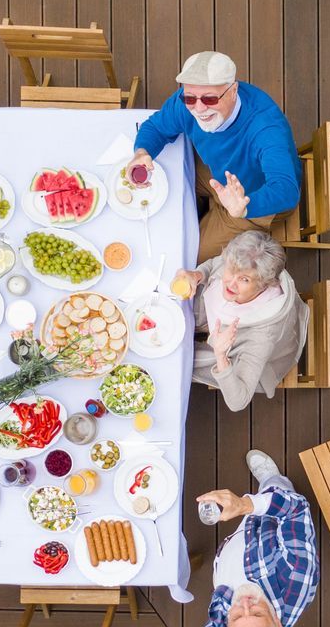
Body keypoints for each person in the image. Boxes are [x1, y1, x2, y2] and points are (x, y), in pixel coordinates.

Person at [122, 452, 318, 627]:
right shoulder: (298, 575)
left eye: (235, 618)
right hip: (268, 523)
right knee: (277, 490)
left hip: (235, 556)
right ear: (278, 625)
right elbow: (296, 510)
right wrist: (246, 505)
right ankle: (272, 480)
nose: (244, 604)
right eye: (257, 612)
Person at [130, 51, 301, 258]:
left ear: (233, 90)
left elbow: (286, 190)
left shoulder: (266, 129)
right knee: (154, 187)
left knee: (186, 256)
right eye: (189, 98)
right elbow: (156, 128)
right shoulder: (188, 103)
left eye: (210, 99)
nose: (199, 108)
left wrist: (245, 206)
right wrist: (141, 152)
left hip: (248, 201)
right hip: (214, 171)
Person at [172, 231, 306, 411]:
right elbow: (214, 264)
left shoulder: (262, 337)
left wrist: (220, 355)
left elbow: (238, 402)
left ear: (265, 285)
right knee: (171, 306)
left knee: (179, 360)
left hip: (243, 354)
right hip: (220, 317)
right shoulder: (240, 259)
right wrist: (197, 275)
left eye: (244, 279)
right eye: (231, 271)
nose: (230, 284)